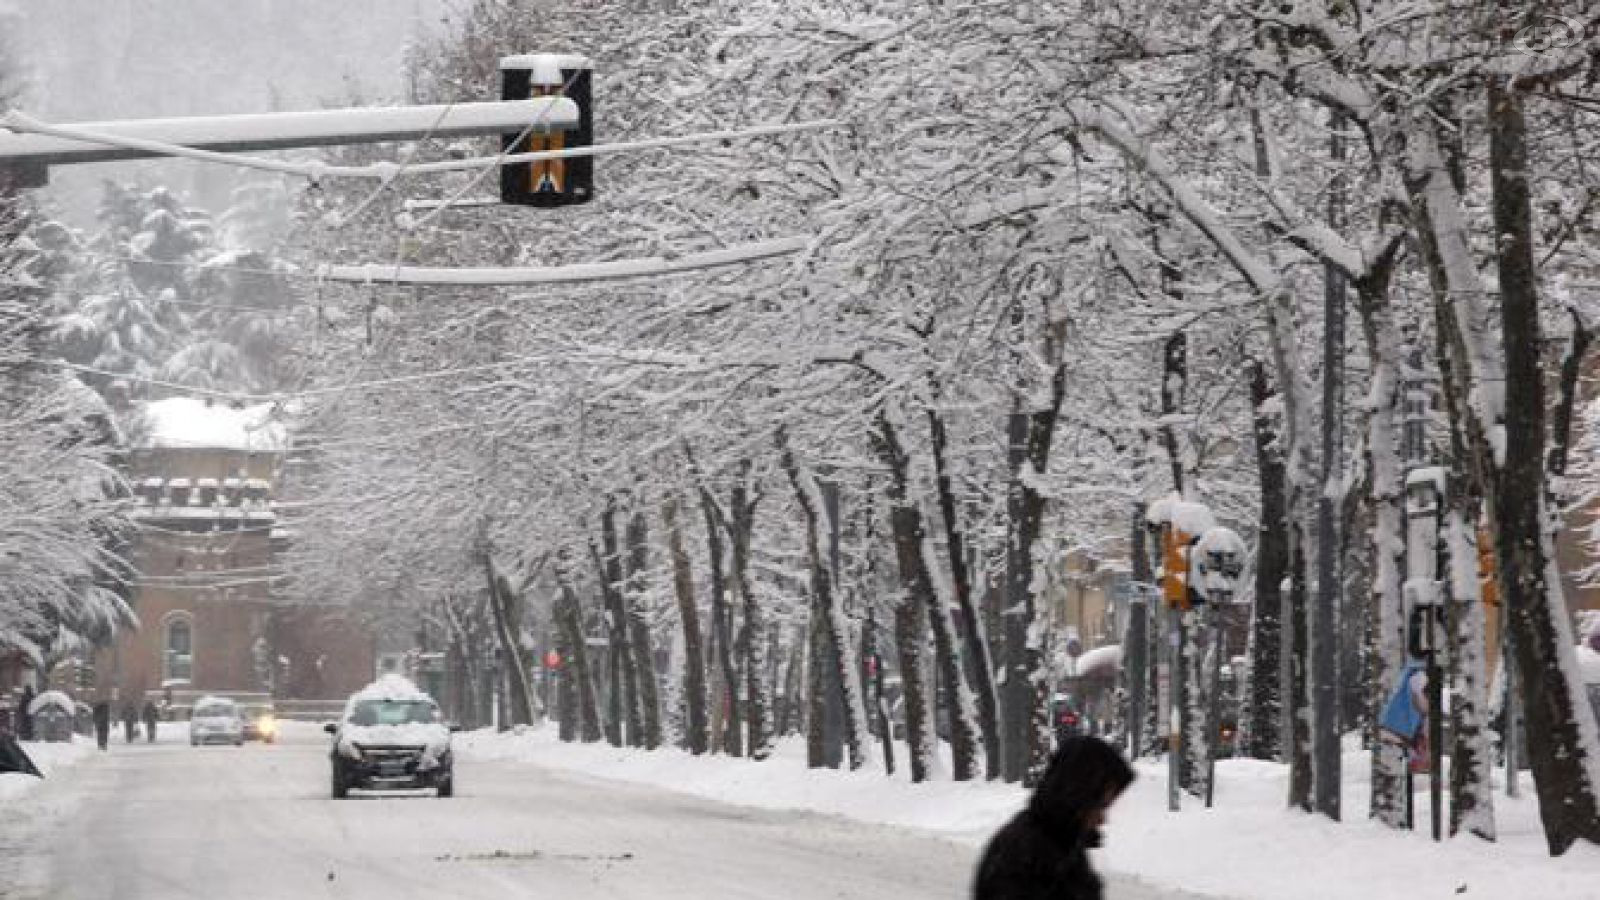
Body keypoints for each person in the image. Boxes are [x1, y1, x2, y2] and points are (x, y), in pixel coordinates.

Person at [973, 736, 1134, 900]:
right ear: (1077, 796)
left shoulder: (1063, 846)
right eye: (1100, 805)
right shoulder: (1022, 857)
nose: (1102, 819)